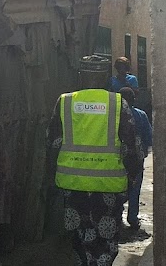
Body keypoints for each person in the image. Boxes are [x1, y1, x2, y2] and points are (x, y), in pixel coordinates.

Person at [47, 55, 143, 266]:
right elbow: (132, 149)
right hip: (108, 188)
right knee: (106, 240)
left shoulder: (64, 102)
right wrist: (132, 181)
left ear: (80, 76)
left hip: (72, 187)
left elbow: (52, 144)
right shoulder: (118, 104)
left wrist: (54, 178)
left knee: (79, 238)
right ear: (105, 77)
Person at [120, 86, 153, 231]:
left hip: (119, 158)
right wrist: (144, 151)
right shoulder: (141, 115)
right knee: (135, 188)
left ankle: (117, 215)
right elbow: (149, 137)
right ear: (134, 100)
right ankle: (132, 218)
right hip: (137, 159)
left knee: (118, 188)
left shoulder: (115, 116)